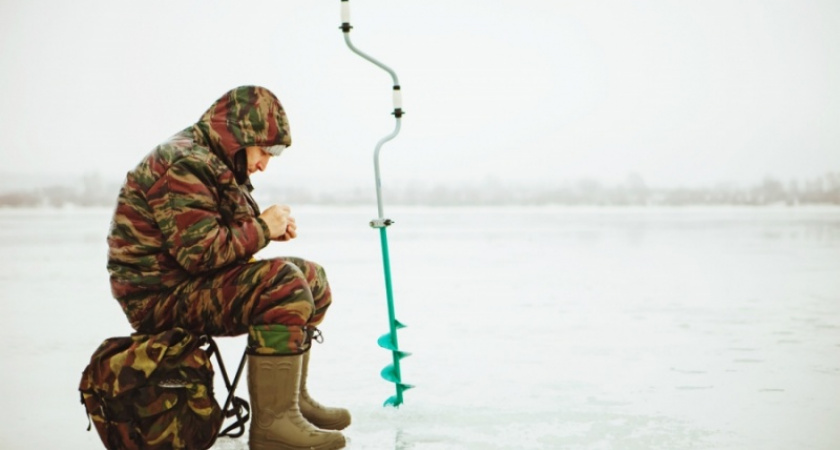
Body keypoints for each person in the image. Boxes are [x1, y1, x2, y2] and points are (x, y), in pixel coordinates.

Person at [107, 85, 349, 450]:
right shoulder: (183, 162)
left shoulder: (211, 159)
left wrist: (266, 232)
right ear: (241, 136)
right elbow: (199, 254)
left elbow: (215, 236)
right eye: (265, 150)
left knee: (312, 279)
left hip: (187, 284)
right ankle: (273, 426)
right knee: (283, 284)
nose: (265, 163)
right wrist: (263, 228)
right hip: (158, 297)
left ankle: (291, 402)